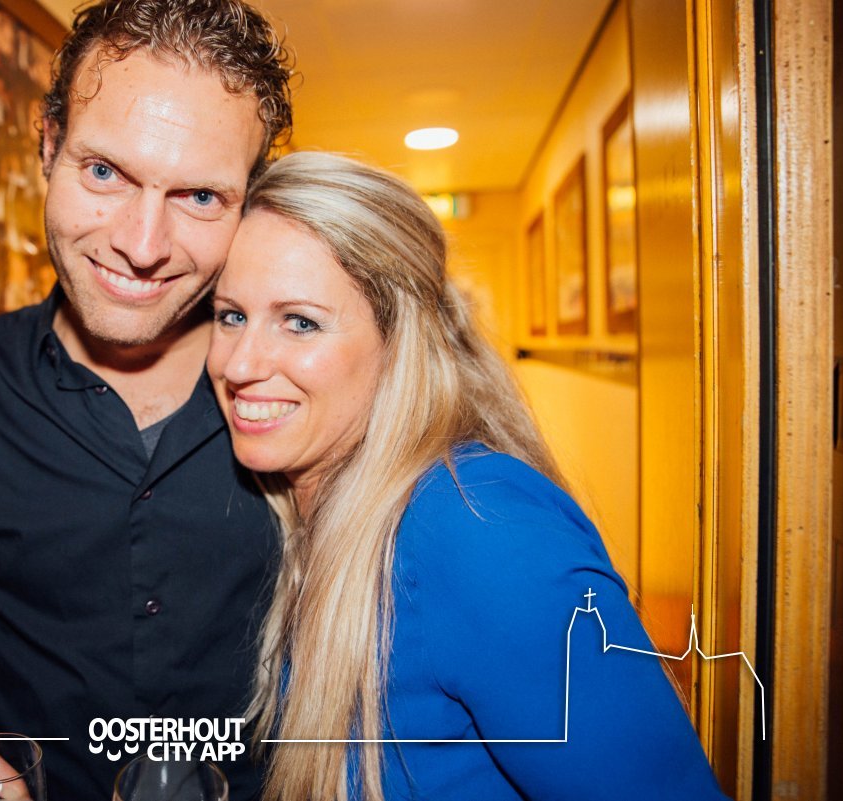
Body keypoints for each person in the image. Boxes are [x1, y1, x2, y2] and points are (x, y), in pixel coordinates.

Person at [0, 2, 293, 799]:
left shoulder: (302, 387)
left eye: (199, 196)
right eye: (105, 172)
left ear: (249, 203)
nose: (142, 245)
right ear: (49, 146)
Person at [206, 151, 731, 801]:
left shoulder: (482, 530)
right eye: (231, 315)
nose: (241, 363)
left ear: (401, 342)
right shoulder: (307, 505)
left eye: (300, 322)